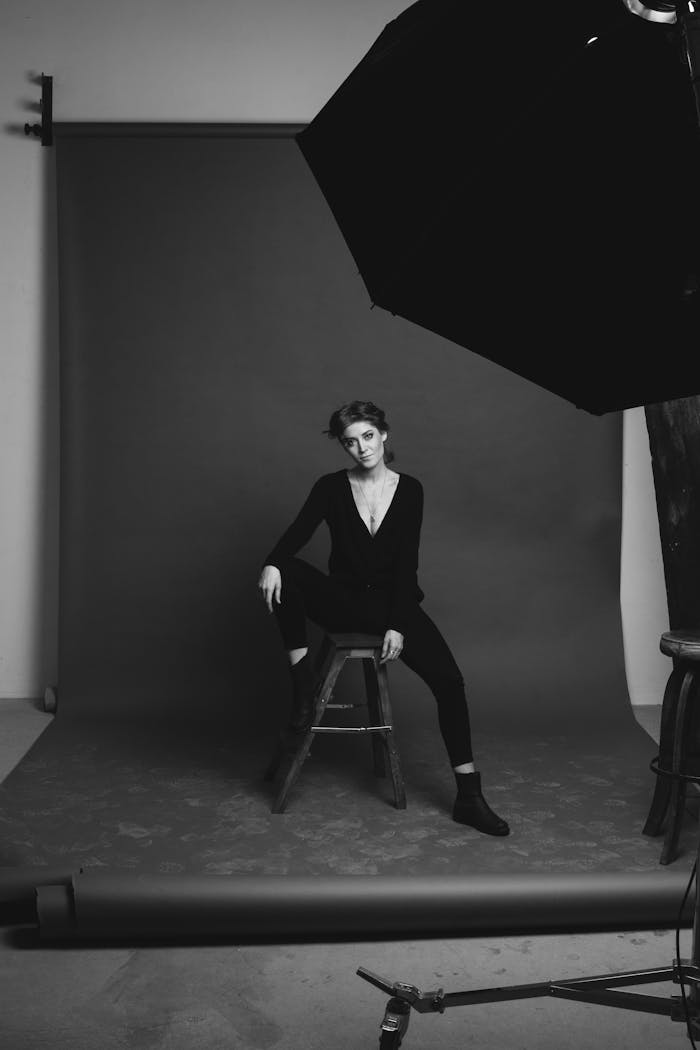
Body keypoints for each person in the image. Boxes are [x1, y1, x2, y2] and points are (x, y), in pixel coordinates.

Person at [257, 400, 509, 836]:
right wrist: (271, 562)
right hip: (342, 599)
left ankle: (469, 795)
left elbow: (405, 567)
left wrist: (397, 623)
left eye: (368, 436)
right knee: (283, 571)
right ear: (343, 446)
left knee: (450, 682)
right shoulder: (330, 487)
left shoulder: (410, 490)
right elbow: (297, 534)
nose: (361, 448)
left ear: (384, 434)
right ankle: (302, 690)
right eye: (350, 442)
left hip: (394, 604)